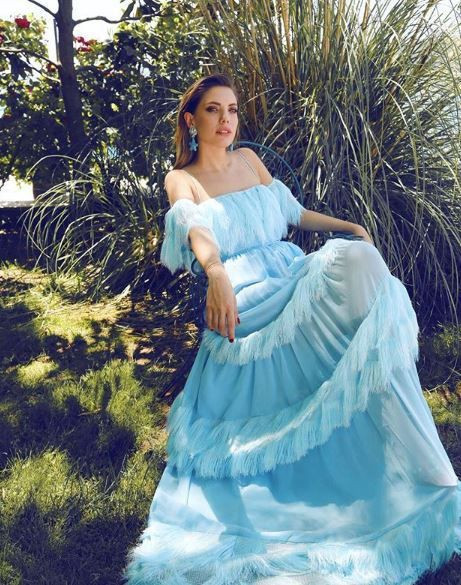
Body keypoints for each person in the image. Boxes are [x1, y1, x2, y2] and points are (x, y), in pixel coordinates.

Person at [122, 73, 461, 584]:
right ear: (191, 120)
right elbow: (197, 231)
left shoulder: (249, 161)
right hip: (243, 290)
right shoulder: (182, 179)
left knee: (360, 262)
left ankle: (405, 465)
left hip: (285, 270)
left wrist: (347, 227)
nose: (226, 120)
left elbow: (294, 213)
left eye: (232, 110)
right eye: (213, 110)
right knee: (354, 268)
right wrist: (216, 272)